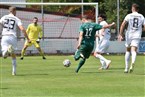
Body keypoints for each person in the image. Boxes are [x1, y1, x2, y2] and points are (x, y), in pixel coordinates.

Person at [0, 6, 30, 75]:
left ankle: (5, 52)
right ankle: (14, 71)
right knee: (13, 55)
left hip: (5, 36)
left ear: (9, 11)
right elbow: (22, 29)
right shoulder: (16, 18)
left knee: (4, 56)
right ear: (14, 11)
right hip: (13, 37)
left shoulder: (4, 17)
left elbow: (1, 23)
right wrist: (27, 38)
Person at [118, 3, 145, 73]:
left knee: (127, 50)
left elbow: (123, 24)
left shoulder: (129, 15)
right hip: (137, 34)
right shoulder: (141, 16)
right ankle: (132, 63)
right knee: (134, 50)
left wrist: (120, 34)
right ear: (138, 9)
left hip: (129, 34)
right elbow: (144, 27)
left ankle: (126, 68)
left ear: (133, 8)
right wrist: (140, 30)